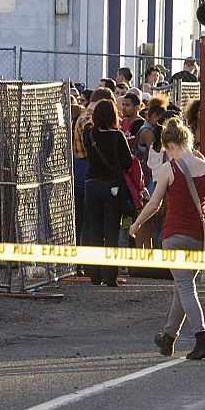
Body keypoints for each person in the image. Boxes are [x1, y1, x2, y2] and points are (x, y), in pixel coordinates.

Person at [127, 116, 205, 361]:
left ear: (169, 146)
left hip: (174, 235)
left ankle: (201, 338)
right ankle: (168, 337)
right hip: (199, 237)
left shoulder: (170, 168)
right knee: (183, 289)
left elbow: (154, 204)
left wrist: (137, 224)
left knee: (185, 288)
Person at [81, 97, 132, 286]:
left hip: (92, 184)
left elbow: (86, 126)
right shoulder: (117, 136)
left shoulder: (90, 135)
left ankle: (94, 275)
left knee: (95, 229)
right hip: (112, 186)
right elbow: (127, 162)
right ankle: (110, 276)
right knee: (111, 231)